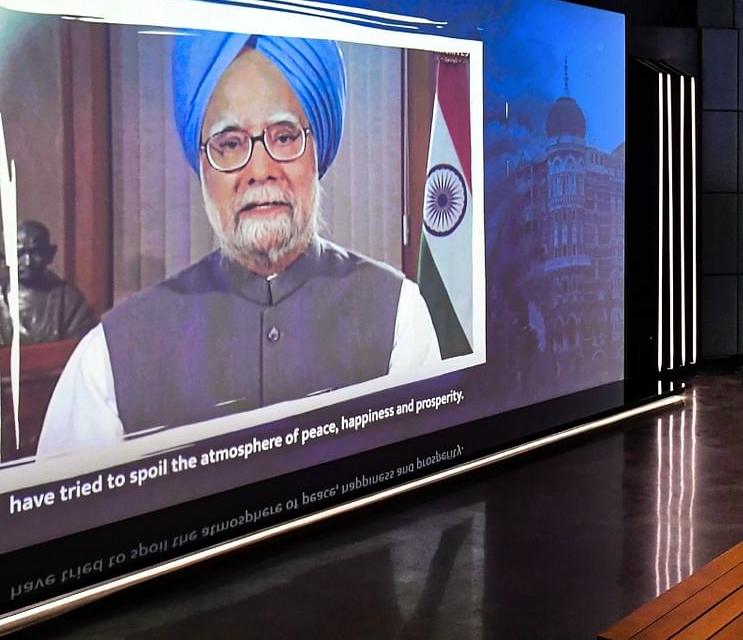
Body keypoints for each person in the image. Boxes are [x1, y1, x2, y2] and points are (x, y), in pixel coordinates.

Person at [37, 32, 441, 455]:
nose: (260, 169)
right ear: (202, 166)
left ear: (316, 152)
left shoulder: (399, 315)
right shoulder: (110, 357)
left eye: (284, 137)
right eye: (230, 144)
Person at [0, 220, 95, 345]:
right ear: (4, 257)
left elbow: (81, 351)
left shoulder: (70, 302)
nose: (28, 262)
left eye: (36, 252)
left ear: (50, 254)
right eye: (19, 254)